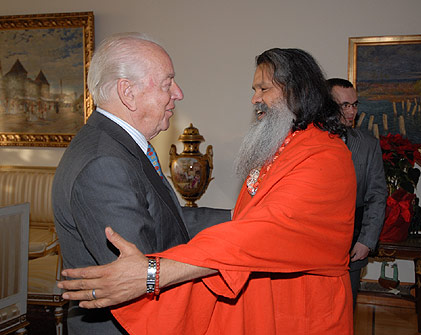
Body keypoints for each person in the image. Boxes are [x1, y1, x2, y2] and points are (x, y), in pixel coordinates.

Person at [58, 48, 357, 334]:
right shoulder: (281, 148)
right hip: (263, 307)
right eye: (255, 90)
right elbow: (249, 225)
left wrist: (153, 273)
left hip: (300, 311)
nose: (254, 99)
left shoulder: (324, 156)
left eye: (263, 89)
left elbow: (265, 232)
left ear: (297, 90)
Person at [52, 32, 230, 334]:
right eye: (167, 83)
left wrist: (242, 218)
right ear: (128, 93)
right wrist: (233, 254)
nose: (178, 93)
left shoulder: (119, 145)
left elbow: (164, 219)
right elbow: (145, 270)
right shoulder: (104, 164)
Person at [327, 78, 387, 305]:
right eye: (345, 105)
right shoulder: (307, 142)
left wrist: (367, 241)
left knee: (345, 307)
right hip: (313, 243)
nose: (352, 111)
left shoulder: (368, 145)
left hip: (352, 244)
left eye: (355, 105)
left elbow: (377, 196)